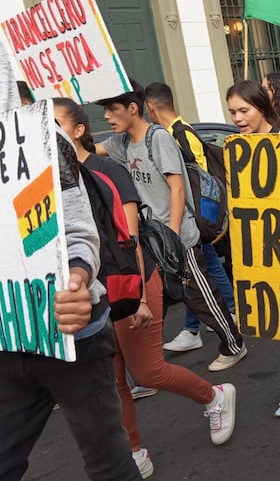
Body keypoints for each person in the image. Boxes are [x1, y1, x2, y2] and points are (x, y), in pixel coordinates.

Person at [0, 39, 157, 481]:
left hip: (73, 330)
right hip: (9, 338)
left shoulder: (41, 139)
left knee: (111, 471)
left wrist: (75, 276)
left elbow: (75, 222)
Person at [53, 98, 236, 481]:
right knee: (114, 377)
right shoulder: (53, 181)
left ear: (77, 131)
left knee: (148, 371)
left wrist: (137, 297)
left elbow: (130, 238)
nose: (46, 133)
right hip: (94, 292)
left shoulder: (107, 172)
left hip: (130, 284)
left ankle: (214, 396)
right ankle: (134, 451)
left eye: (55, 123)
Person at [96, 80, 248, 371]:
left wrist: (174, 238)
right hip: (155, 240)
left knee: (201, 293)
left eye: (112, 109)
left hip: (179, 238)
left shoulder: (158, 138)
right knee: (165, 297)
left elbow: (177, 189)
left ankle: (233, 343)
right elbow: (89, 150)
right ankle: (146, 367)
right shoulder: (123, 142)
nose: (106, 116)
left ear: (132, 108)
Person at [142, 82, 237, 353]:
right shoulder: (177, 130)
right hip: (190, 217)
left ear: (150, 107)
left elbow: (197, 178)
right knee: (202, 272)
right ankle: (209, 321)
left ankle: (216, 319)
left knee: (198, 274)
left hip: (193, 217)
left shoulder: (177, 134)